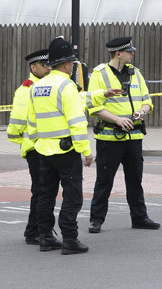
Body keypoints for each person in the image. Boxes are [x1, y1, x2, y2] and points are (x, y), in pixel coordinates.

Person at [87, 36, 160, 233]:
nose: (132, 53)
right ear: (118, 53)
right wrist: (118, 120)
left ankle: (140, 218)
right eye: (129, 51)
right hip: (109, 137)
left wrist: (142, 112)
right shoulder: (99, 74)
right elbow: (93, 106)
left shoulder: (135, 73)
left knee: (135, 180)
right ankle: (96, 219)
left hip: (134, 136)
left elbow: (147, 100)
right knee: (104, 181)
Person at [30, 37, 92, 255]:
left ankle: (45, 237)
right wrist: (86, 150)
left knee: (45, 196)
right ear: (66, 64)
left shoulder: (37, 87)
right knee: (72, 196)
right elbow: (77, 122)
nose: (73, 66)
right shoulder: (67, 86)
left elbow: (32, 121)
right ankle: (70, 239)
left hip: (44, 150)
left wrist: (37, 142)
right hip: (66, 151)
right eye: (72, 63)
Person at [6, 49, 52, 245]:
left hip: (47, 146)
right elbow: (16, 122)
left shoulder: (48, 86)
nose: (49, 68)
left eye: (50, 64)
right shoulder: (26, 89)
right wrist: (23, 142)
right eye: (45, 65)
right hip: (35, 148)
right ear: (33, 68)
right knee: (41, 191)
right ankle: (35, 232)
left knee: (45, 191)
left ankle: (37, 230)